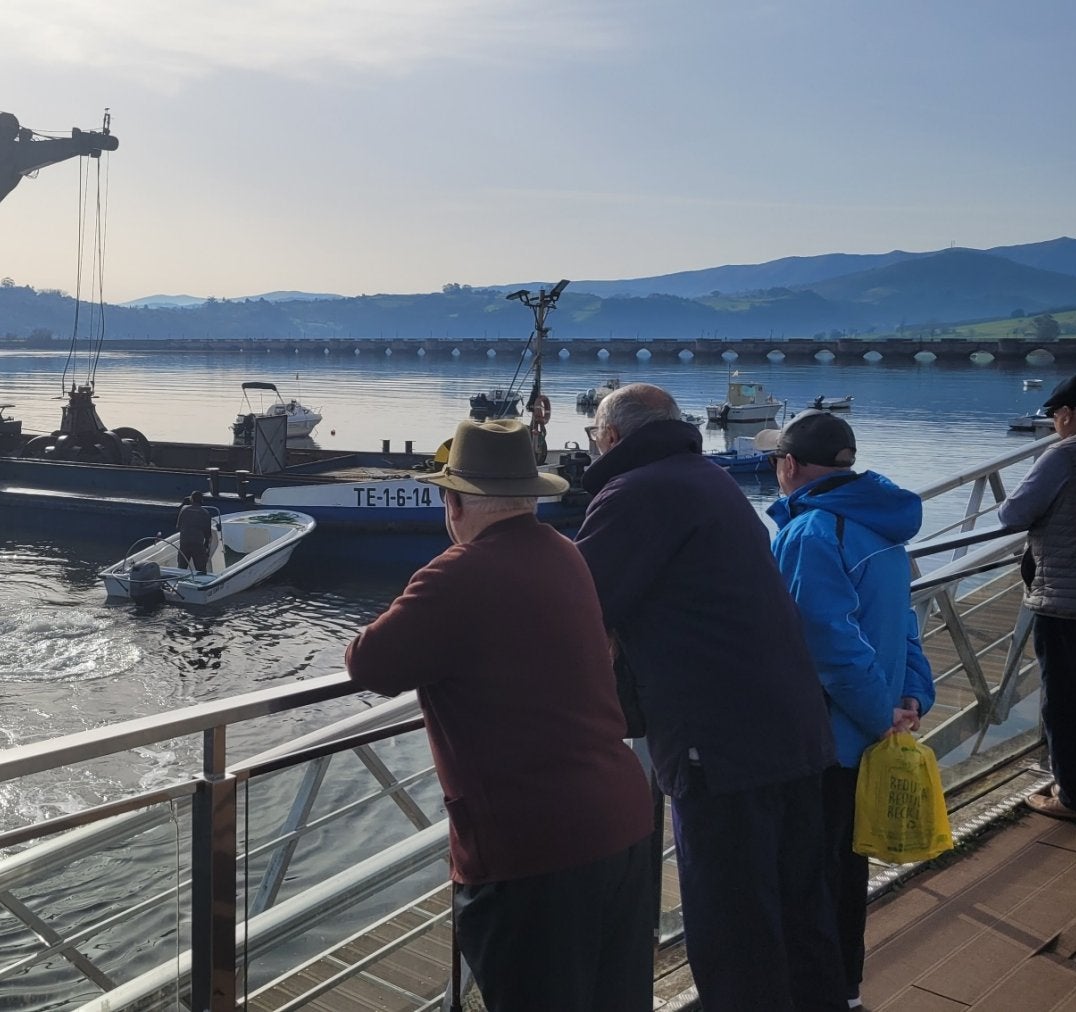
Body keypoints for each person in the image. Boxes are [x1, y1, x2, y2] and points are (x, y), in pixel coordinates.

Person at [346, 418, 656, 1012]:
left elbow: (369, 663)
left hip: (533, 850)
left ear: (453, 501)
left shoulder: (456, 574)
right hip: (618, 818)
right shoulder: (565, 553)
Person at [576, 384, 846, 1012]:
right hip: (790, 726)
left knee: (733, 924)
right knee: (801, 909)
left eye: (594, 435)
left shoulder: (635, 492)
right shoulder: (706, 477)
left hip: (720, 745)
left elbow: (577, 602)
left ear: (612, 436)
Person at [757, 410, 935, 1009]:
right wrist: (910, 695)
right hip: (867, 736)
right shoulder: (878, 525)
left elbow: (827, 644)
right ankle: (847, 988)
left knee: (808, 875)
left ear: (788, 465)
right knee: (846, 869)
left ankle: (818, 993)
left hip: (825, 739)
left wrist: (880, 712)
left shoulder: (811, 532)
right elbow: (901, 622)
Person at [997, 372, 1076, 825]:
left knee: (1068, 701)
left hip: (1069, 603)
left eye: (1057, 415)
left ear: (1068, 414)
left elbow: (1013, 513)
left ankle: (1075, 796)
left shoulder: (1066, 454)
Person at [175, 492, 213, 574]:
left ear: (191, 499)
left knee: (181, 569)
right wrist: (206, 548)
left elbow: (178, 527)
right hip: (198, 544)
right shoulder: (205, 513)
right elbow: (208, 534)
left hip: (184, 543)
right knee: (201, 570)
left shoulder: (184, 510)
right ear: (202, 500)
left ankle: (179, 583)